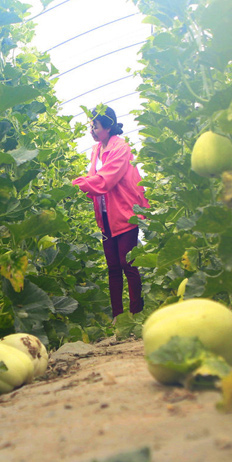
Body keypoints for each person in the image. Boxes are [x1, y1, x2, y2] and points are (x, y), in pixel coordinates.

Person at [72, 107, 149, 320]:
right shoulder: (96, 149)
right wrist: (85, 185)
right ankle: (118, 317)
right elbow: (94, 179)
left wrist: (78, 184)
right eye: (90, 125)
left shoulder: (121, 147)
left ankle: (136, 314)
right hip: (106, 214)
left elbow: (107, 179)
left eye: (94, 126)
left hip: (125, 211)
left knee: (128, 263)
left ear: (108, 127)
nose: (91, 130)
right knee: (113, 266)